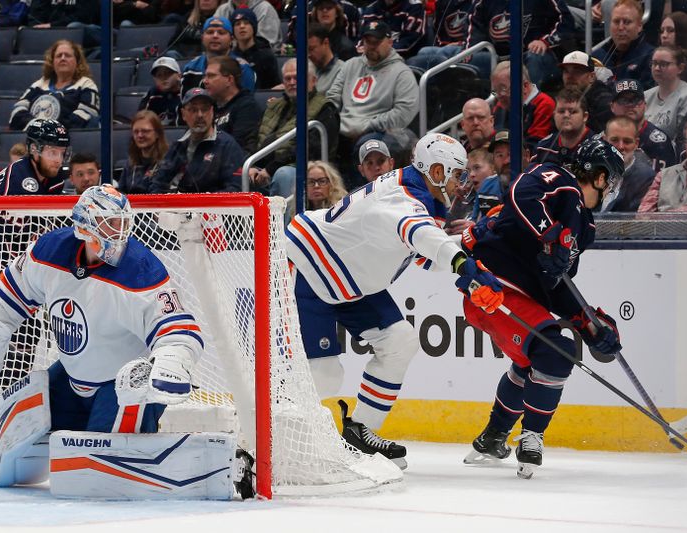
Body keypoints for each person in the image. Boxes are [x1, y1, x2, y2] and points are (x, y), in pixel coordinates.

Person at [285, 133, 504, 468]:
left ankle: (359, 436)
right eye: (457, 173)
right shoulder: (404, 199)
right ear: (436, 170)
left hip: (346, 277)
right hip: (309, 266)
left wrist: (474, 244)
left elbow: (422, 252)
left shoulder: (413, 192)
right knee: (324, 373)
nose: (462, 182)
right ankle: (269, 438)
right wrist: (465, 266)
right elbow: (421, 235)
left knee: (400, 341)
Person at [460, 138, 624, 479]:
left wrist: (588, 322)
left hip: (522, 298)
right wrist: (549, 235)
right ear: (599, 175)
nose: (610, 189)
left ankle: (492, 438)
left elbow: (556, 282)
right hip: (494, 285)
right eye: (611, 179)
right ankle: (532, 437)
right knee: (556, 352)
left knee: (532, 361)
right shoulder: (559, 178)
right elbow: (521, 192)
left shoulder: (586, 226)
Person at [0, 185, 203, 439]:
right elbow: (1, 306)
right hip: (72, 378)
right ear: (85, 224)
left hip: (123, 385)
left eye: (123, 223)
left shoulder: (140, 270)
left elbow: (179, 331)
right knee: (15, 434)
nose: (119, 232)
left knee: (106, 459)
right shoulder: (48, 252)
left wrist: (172, 360)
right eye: (110, 223)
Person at [327, 20, 418, 186]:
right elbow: (332, 96)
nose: (371, 46)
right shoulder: (350, 65)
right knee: (319, 134)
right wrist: (331, 120)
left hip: (380, 132)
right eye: (368, 42)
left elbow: (404, 112)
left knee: (368, 145)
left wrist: (369, 126)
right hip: (343, 128)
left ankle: (359, 195)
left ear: (390, 42)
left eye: (376, 42)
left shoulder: (401, 72)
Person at [251, 59, 339, 200]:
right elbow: (255, 138)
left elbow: (311, 149)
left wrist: (271, 168)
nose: (292, 82)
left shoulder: (325, 108)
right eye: (287, 78)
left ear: (313, 81)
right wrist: (252, 165)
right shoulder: (274, 106)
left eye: (297, 77)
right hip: (266, 168)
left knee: (283, 175)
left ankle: (285, 222)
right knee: (239, 174)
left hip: (302, 169)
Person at [150, 88, 245, 193]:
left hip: (212, 207)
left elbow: (235, 189)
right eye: (193, 110)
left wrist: (202, 201)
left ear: (212, 112)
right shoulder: (178, 146)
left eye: (204, 109)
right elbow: (157, 184)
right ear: (183, 114)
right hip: (178, 207)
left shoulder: (227, 145)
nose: (200, 115)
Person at [466, 0, 574, 87]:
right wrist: (470, 50)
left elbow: (566, 21)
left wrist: (545, 41)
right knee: (474, 58)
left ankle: (529, 104)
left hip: (534, 54)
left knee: (534, 56)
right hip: (499, 57)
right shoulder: (483, 2)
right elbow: (475, 28)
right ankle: (485, 106)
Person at [9, 40, 100, 131]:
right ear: (52, 62)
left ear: (77, 62)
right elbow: (17, 110)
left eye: (67, 55)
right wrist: (35, 125)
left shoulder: (86, 84)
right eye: (59, 56)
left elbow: (85, 116)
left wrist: (53, 129)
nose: (63, 58)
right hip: (34, 136)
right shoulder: (39, 84)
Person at [610, 79, 676, 172]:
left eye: (635, 100)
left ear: (644, 105)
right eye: (623, 100)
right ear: (612, 107)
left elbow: (664, 183)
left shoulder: (659, 143)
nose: (630, 105)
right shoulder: (602, 139)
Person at [180, 16, 257, 97]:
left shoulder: (242, 68)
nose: (215, 36)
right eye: (210, 32)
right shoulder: (191, 68)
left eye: (221, 32)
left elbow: (246, 103)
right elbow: (185, 104)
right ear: (202, 37)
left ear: (231, 39)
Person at [0, 119, 70, 196]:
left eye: (62, 153)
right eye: (52, 152)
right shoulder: (16, 182)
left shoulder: (53, 174)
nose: (59, 160)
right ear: (34, 149)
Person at [205, 55, 262, 155]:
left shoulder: (247, 106)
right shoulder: (208, 107)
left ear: (229, 80)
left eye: (211, 76)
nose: (205, 81)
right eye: (205, 76)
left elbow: (238, 149)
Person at [592, 0, 655, 89]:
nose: (621, 27)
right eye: (616, 22)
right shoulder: (596, 57)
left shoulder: (651, 57)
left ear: (639, 25)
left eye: (627, 22)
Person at [490, 61, 555, 146]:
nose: (499, 96)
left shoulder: (544, 104)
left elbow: (534, 146)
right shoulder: (501, 104)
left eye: (503, 89)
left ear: (525, 86)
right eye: (496, 90)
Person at [599, 116, 655, 212]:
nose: (620, 147)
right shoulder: (591, 171)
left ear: (636, 143)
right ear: (604, 141)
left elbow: (632, 220)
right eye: (614, 140)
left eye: (627, 141)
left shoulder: (646, 178)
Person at [644, 46, 687, 142]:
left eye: (663, 64)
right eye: (654, 63)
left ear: (680, 68)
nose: (657, 68)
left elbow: (682, 136)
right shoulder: (645, 96)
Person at [535, 88, 594, 166]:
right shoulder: (542, 147)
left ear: (585, 116)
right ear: (554, 115)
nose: (566, 115)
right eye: (561, 111)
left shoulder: (597, 149)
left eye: (572, 112)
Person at [559, 50, 614, 133]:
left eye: (577, 71)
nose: (569, 76)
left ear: (592, 77)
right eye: (566, 71)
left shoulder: (603, 100)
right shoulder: (562, 99)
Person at [288, 0, 360, 61]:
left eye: (329, 8)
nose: (325, 11)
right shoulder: (309, 40)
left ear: (337, 13)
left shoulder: (346, 48)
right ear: (316, 13)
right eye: (321, 8)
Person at [230, 7, 281, 90]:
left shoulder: (266, 56)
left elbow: (274, 87)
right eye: (237, 24)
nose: (242, 26)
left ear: (254, 27)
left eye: (246, 23)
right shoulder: (231, 57)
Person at [119, 110, 169, 194]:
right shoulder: (131, 163)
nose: (140, 135)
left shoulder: (169, 162)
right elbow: (120, 193)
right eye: (136, 132)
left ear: (157, 133)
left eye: (145, 131)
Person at [359, 0, 426, 59]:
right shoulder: (370, 9)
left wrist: (383, 50)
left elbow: (410, 40)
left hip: (406, 56)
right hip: (374, 56)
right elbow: (362, 39)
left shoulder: (415, 6)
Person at [213, 0, 281, 49]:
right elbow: (214, 39)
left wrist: (228, 44)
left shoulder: (265, 8)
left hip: (259, 57)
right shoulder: (222, 10)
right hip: (228, 57)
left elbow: (265, 43)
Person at [308, 22, 346, 94]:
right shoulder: (306, 68)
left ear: (326, 43)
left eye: (311, 49)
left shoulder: (342, 70)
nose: (308, 54)